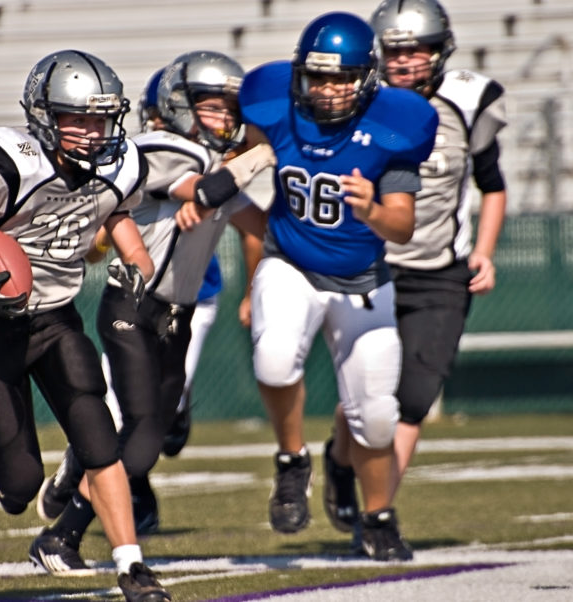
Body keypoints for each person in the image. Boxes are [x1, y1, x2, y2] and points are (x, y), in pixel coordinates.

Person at [0, 49, 171, 602]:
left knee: (100, 442)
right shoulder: (11, 163)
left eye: (101, 117)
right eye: (77, 117)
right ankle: (28, 480)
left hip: (56, 319)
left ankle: (132, 566)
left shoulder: (119, 166)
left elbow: (118, 217)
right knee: (19, 485)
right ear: (43, 116)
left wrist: (139, 268)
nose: (92, 130)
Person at [33, 50, 270, 563]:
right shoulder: (162, 146)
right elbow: (205, 191)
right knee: (139, 435)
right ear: (180, 105)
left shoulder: (216, 163)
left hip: (175, 318)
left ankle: (66, 517)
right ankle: (62, 536)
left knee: (150, 442)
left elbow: (264, 229)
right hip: (133, 309)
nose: (226, 119)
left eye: (233, 109)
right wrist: (264, 153)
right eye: (214, 107)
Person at [223, 12, 438, 561]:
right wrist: (243, 163)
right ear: (300, 74)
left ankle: (379, 516)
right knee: (273, 358)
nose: (329, 88)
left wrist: (370, 210)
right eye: (319, 76)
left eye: (343, 78)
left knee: (377, 414)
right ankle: (292, 461)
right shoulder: (273, 105)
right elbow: (245, 159)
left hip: (362, 280)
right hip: (290, 261)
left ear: (367, 79)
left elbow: (403, 225)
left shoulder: (397, 124)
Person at [322, 0, 508, 551]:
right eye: (396, 50)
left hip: (439, 272)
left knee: (414, 398)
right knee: (365, 394)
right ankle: (339, 462)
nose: (405, 61)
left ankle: (377, 515)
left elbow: (492, 183)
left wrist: (487, 251)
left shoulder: (469, 102)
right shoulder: (359, 103)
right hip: (371, 266)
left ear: (441, 50)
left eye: (416, 49)